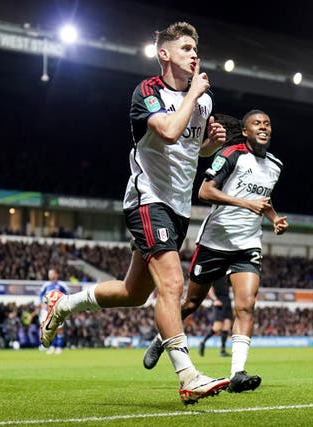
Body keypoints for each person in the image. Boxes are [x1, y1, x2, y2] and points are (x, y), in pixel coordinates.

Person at [40, 21, 228, 405]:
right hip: (147, 199)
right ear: (164, 54)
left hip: (178, 209)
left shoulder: (203, 101)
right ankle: (188, 376)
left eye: (196, 49)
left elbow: (191, 150)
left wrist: (208, 144)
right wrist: (193, 94)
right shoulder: (147, 92)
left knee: (133, 292)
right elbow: (170, 132)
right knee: (172, 285)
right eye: (186, 48)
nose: (195, 54)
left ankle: (65, 304)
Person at [142, 110, 288, 394]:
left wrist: (274, 219)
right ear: (245, 132)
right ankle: (162, 337)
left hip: (247, 244)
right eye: (257, 123)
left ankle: (237, 374)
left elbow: (264, 201)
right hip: (215, 242)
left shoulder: (275, 165)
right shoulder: (231, 154)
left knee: (246, 305)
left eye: (268, 123)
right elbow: (205, 192)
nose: (264, 127)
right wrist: (245, 204)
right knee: (190, 305)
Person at [198, 276, 233, 358]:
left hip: (227, 300)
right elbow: (209, 288)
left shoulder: (227, 273)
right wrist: (214, 299)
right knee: (217, 327)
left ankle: (222, 350)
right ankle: (202, 342)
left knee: (227, 325)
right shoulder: (216, 272)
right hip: (218, 300)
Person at [38, 269, 70, 354]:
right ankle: (52, 347)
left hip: (58, 310)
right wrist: (41, 303)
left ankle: (59, 347)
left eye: (52, 273)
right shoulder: (46, 285)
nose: (50, 275)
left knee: (59, 329)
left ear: (56, 274)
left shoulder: (61, 285)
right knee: (49, 329)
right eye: (49, 274)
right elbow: (40, 295)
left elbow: (68, 295)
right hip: (47, 311)